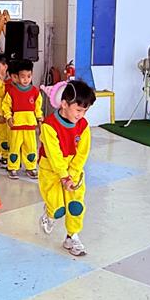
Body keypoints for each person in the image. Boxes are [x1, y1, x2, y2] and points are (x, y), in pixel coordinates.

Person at [38, 80, 95, 257]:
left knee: (75, 206)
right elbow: (54, 155)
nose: (81, 115)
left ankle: (72, 237)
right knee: (58, 209)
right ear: (64, 104)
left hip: (74, 171)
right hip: (51, 169)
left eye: (85, 111)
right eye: (78, 110)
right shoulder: (49, 126)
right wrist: (64, 176)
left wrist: (73, 173)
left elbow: (82, 152)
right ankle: (49, 214)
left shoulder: (83, 125)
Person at [1, 59, 43, 180]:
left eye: (28, 76)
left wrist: (39, 119)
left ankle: (31, 167)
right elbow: (6, 106)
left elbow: (38, 108)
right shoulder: (11, 91)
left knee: (31, 147)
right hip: (16, 126)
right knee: (14, 147)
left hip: (30, 126)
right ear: (17, 77)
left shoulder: (35, 91)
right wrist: (8, 117)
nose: (26, 79)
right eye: (23, 76)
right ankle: (13, 167)